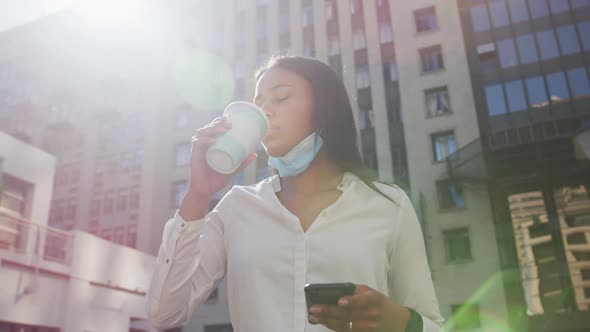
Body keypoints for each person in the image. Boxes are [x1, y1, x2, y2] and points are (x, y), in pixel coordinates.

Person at [147, 56, 444, 332]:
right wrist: (198, 195)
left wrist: (399, 321)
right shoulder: (237, 207)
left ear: (324, 107)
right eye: (258, 103)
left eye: (281, 97)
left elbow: (433, 323)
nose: (264, 111)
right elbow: (165, 313)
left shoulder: (387, 205)